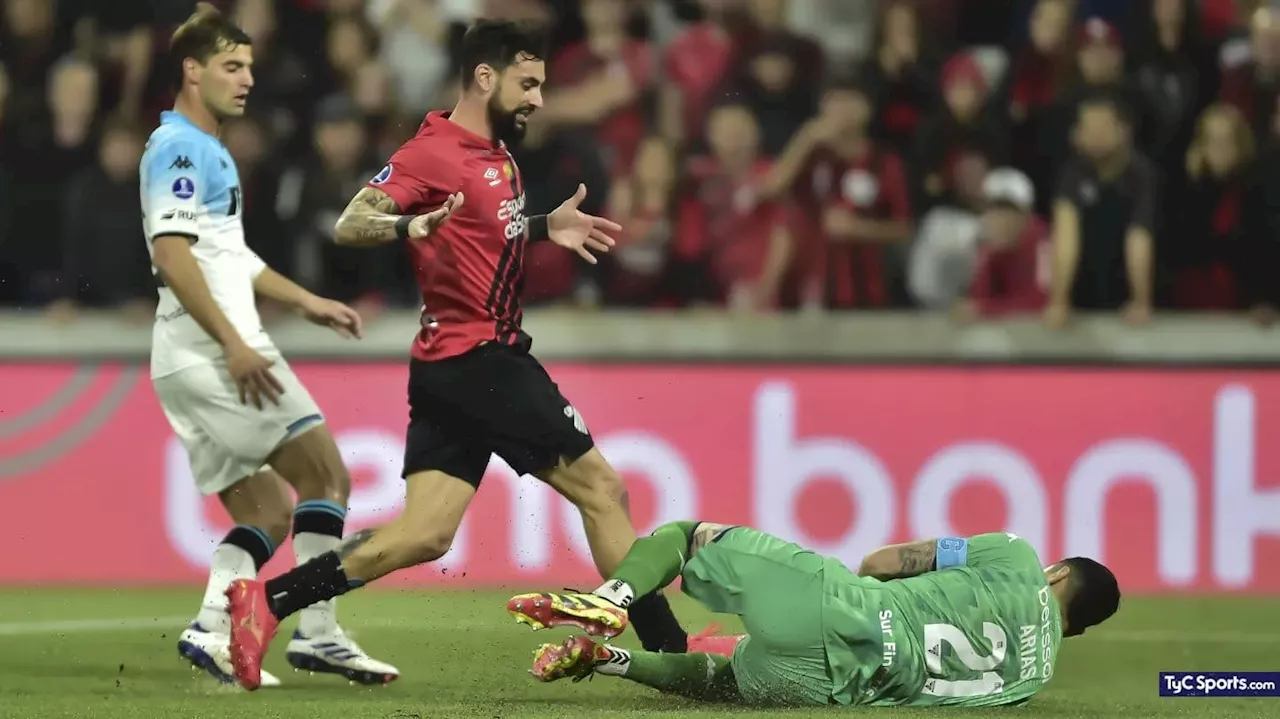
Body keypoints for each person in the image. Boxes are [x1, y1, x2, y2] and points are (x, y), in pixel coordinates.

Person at [224, 19, 734, 692]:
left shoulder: (496, 154)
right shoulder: (434, 150)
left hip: (446, 368)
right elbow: (353, 219)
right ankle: (671, 651)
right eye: (529, 83)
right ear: (486, 78)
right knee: (603, 491)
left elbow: (491, 231)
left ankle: (265, 603)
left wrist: (548, 225)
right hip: (483, 360)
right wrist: (409, 223)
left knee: (424, 533)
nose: (539, 99)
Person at [141, 3, 396, 688]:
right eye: (231, 65)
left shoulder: (206, 147)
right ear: (192, 72)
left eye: (250, 64)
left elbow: (228, 255)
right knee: (328, 478)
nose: (248, 78)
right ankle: (319, 633)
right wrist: (234, 342)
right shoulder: (181, 149)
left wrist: (304, 300)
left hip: (185, 356)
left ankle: (210, 626)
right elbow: (172, 252)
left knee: (267, 511)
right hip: (218, 351)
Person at [509, 522, 1120, 707]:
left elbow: (891, 560)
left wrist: (860, 590)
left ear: (1058, 575)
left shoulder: (1018, 558)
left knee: (690, 536)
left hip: (848, 610)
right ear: (1077, 627)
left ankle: (608, 602)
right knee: (728, 683)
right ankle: (607, 661)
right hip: (845, 686)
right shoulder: (1033, 680)